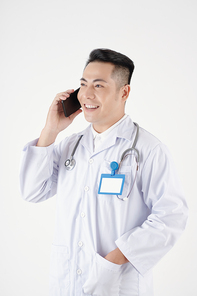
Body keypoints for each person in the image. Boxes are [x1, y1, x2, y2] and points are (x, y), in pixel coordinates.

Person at [19, 49, 188, 296]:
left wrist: (114, 261)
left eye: (99, 85)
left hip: (117, 283)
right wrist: (50, 130)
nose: (86, 94)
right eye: (83, 84)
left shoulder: (148, 149)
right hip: (67, 282)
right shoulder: (70, 145)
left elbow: (171, 216)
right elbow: (33, 191)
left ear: (124, 92)